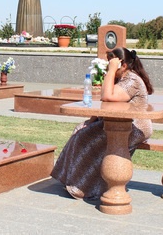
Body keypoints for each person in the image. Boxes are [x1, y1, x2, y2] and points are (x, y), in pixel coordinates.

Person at [51, 47, 154, 200]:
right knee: (80, 130)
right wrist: (90, 121)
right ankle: (73, 180)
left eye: (110, 63)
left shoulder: (131, 79)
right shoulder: (122, 78)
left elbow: (107, 96)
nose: (107, 66)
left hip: (134, 127)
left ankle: (84, 187)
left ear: (123, 65)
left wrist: (111, 71)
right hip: (115, 124)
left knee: (85, 139)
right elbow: (106, 105)